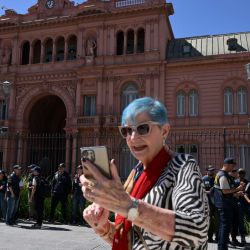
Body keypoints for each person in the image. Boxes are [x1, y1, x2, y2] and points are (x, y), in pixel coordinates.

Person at [81, 97, 209, 249]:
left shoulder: (183, 166)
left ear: (165, 130)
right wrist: (102, 227)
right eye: (127, 130)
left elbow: (197, 231)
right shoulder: (136, 172)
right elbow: (134, 239)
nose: (133, 137)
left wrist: (127, 205)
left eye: (142, 128)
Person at [213, 158, 245, 250]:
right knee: (225, 227)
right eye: (232, 165)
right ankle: (223, 247)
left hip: (222, 204)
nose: (233, 167)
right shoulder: (223, 175)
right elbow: (225, 191)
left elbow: (225, 192)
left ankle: (221, 246)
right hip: (225, 205)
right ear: (226, 165)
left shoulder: (222, 174)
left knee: (222, 226)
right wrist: (238, 188)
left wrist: (236, 194)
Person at [202, 165, 218, 243]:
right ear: (207, 171)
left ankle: (218, 237)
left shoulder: (216, 179)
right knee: (209, 221)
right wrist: (209, 192)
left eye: (213, 170)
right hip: (208, 203)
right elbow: (200, 191)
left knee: (219, 220)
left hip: (217, 203)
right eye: (210, 170)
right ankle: (210, 238)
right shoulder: (203, 179)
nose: (211, 172)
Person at [235, 168, 249, 245]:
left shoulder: (248, 182)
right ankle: (243, 238)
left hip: (247, 204)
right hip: (239, 205)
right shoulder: (235, 182)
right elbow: (232, 193)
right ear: (238, 174)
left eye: (242, 173)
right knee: (241, 223)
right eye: (240, 173)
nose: (241, 175)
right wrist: (238, 194)